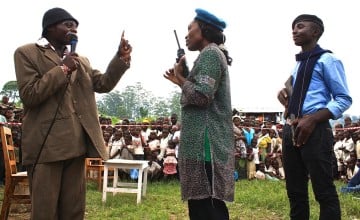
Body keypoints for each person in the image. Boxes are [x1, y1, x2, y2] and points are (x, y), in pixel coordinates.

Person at [14, 7, 132, 219]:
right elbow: (30, 94)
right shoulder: (27, 52)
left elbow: (103, 83)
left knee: (73, 211)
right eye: (68, 25)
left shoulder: (81, 60)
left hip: (75, 146)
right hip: (46, 146)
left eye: (76, 26)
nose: (74, 30)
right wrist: (62, 70)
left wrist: (120, 59)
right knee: (45, 212)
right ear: (50, 27)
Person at [277, 14, 352, 220]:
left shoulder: (328, 59)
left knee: (324, 191)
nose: (294, 31)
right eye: (293, 27)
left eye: (300, 27)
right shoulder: (299, 64)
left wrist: (313, 119)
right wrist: (284, 96)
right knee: (295, 191)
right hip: (291, 127)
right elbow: (295, 90)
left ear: (315, 32)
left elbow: (343, 98)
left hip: (316, 130)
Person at [164, 8, 234, 220]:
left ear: (203, 30)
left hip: (206, 145)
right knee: (202, 206)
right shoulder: (208, 55)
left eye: (190, 29)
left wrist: (180, 79)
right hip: (202, 143)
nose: (186, 35)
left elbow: (202, 97)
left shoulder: (211, 54)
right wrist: (183, 78)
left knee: (207, 207)